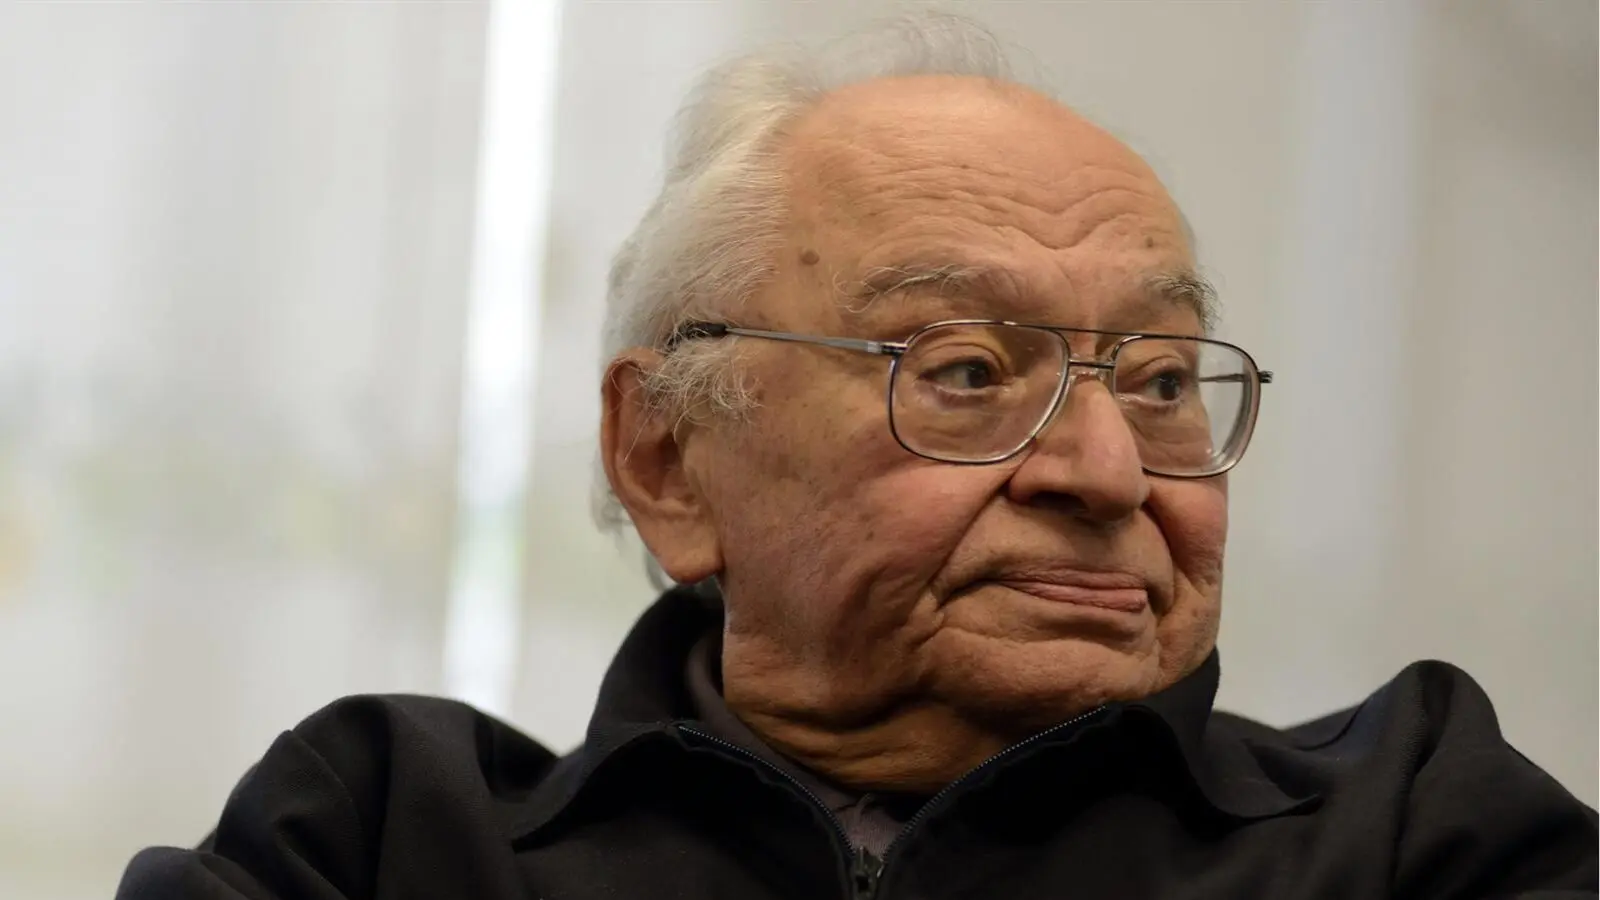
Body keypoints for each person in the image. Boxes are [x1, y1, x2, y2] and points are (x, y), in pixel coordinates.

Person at [117, 14, 1596, 900]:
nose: (1107, 471)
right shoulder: (388, 836)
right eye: (962, 370)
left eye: (1157, 380)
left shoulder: (1415, 827)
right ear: (671, 458)